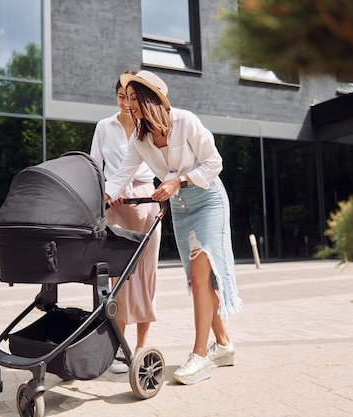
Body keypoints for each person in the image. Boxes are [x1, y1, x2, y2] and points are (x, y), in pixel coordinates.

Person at [104, 70, 242, 385]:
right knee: (199, 282)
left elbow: (214, 162)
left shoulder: (186, 121)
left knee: (199, 273)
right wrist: (101, 198)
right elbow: (118, 178)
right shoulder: (139, 139)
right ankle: (223, 345)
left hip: (208, 202)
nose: (130, 107)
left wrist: (178, 179)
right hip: (180, 208)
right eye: (128, 101)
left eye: (136, 101)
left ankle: (199, 357)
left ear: (152, 100)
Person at [90, 70, 162, 373]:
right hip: (114, 206)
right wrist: (108, 192)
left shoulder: (150, 127)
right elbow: (95, 166)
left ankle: (141, 349)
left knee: (145, 275)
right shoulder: (104, 127)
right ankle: (120, 348)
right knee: (118, 279)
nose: (125, 102)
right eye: (121, 96)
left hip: (146, 201)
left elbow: (163, 165)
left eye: (130, 97)